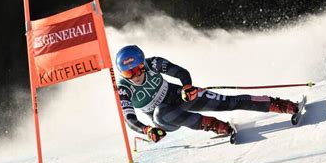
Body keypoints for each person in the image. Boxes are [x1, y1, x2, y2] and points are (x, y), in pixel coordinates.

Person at [116, 45, 299, 143]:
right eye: (128, 73)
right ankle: (213, 125)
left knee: (228, 102)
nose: (136, 75)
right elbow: (129, 118)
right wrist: (147, 130)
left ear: (143, 63)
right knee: (161, 112)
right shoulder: (124, 88)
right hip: (166, 119)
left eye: (138, 69)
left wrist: (187, 87)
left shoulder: (152, 63)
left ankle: (279, 104)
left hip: (178, 96)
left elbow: (180, 72)